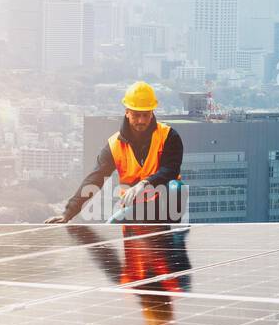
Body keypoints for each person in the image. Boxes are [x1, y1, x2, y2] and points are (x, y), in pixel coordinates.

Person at [45, 81, 186, 224]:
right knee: (113, 230)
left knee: (176, 187)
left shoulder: (168, 136)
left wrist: (144, 184)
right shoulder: (115, 145)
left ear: (152, 113)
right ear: (127, 112)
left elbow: (170, 170)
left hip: (163, 206)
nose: (141, 120)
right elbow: (96, 178)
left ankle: (170, 234)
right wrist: (68, 213)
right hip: (132, 206)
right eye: (136, 115)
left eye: (145, 115)